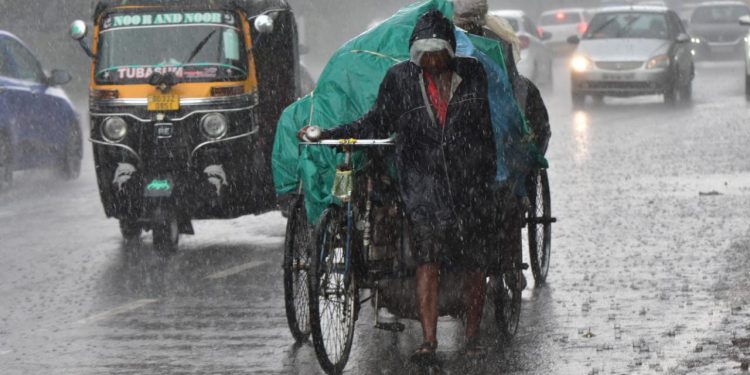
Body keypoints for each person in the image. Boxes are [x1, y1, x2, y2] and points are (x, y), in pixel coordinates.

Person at [298, 9, 496, 363]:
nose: (433, 60)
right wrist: (329, 134)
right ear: (415, 53)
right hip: (422, 184)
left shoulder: (472, 74)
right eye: (425, 53)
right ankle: (429, 340)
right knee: (427, 259)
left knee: (474, 263)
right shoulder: (399, 79)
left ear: (450, 51)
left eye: (439, 52)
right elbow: (375, 121)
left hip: (468, 184)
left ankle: (472, 335)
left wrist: (486, 181)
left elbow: (483, 131)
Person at [454, 0, 552, 289]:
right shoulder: (446, 41)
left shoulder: (492, 45)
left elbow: (505, 95)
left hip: (489, 133)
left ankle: (504, 261)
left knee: (504, 193)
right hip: (471, 132)